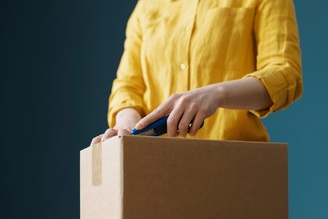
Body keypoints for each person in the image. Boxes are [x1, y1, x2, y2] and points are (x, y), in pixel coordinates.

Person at [91, 0, 303, 145]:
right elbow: (128, 85)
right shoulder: (147, 6)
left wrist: (217, 94)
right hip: (154, 169)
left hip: (236, 169)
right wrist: (127, 124)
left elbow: (285, 73)